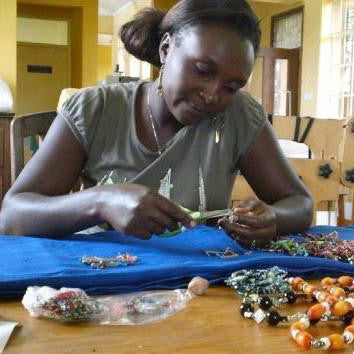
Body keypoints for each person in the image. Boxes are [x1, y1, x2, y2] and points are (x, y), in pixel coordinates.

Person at [0, 0, 313, 247]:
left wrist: (272, 218)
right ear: (166, 49)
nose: (212, 95)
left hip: (198, 293)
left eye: (231, 87)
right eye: (202, 70)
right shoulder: (96, 109)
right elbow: (13, 215)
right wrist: (101, 202)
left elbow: (299, 204)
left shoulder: (239, 116)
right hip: (100, 289)